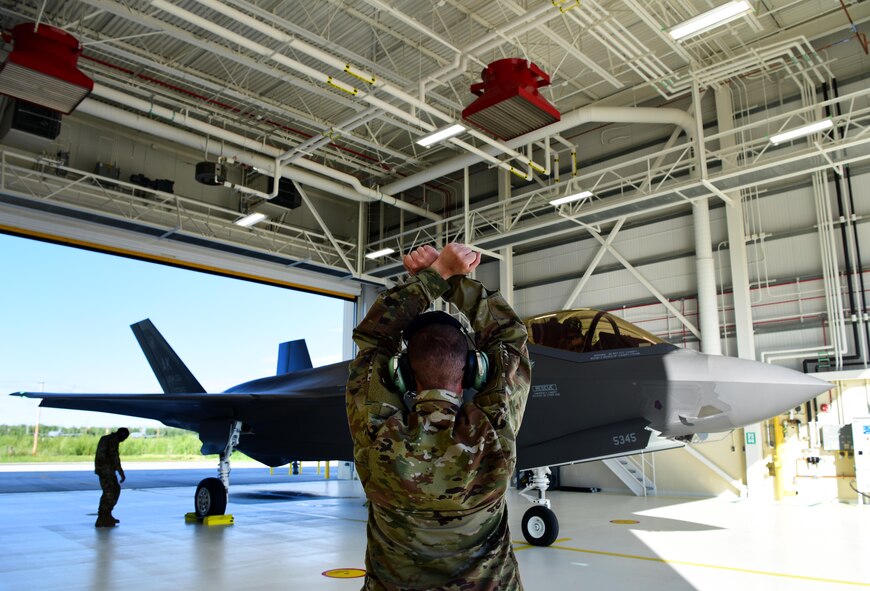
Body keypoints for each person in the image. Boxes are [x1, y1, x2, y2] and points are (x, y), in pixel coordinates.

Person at [346, 243, 531, 590]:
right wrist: (448, 278)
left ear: (400, 374)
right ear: (473, 373)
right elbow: (510, 337)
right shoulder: (493, 434)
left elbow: (373, 339)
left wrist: (436, 276)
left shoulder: (378, 436)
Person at [94, 427, 129, 528]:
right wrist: (121, 472)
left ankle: (107, 516)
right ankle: (102, 518)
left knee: (114, 490)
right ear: (122, 436)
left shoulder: (106, 438)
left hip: (104, 470)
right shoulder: (113, 440)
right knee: (109, 493)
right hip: (106, 471)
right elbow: (114, 456)